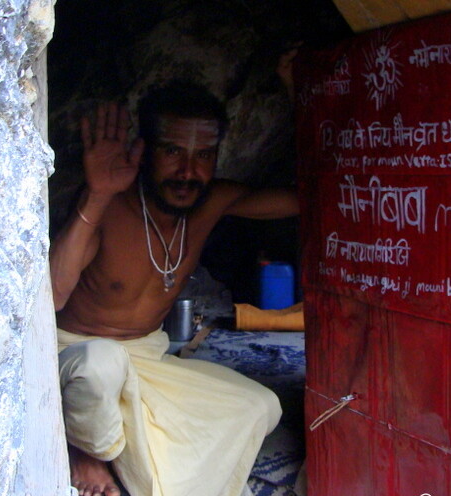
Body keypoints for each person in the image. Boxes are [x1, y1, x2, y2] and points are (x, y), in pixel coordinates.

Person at [49, 81, 299, 496]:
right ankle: (87, 454)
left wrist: (297, 95)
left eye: (202, 155)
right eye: (172, 152)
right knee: (101, 363)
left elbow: (307, 199)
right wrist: (96, 195)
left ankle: (124, 456)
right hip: (76, 355)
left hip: (146, 358)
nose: (188, 171)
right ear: (144, 151)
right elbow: (54, 294)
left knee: (259, 406)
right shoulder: (110, 203)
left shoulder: (213, 201)